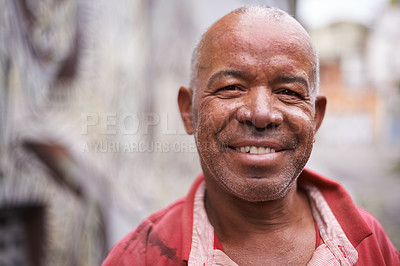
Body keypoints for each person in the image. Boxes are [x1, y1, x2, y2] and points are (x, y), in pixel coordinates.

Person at [103, 6, 400, 265]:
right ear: (188, 111)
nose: (260, 114)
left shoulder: (368, 243)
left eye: (288, 92)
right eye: (231, 87)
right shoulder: (141, 258)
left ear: (316, 116)